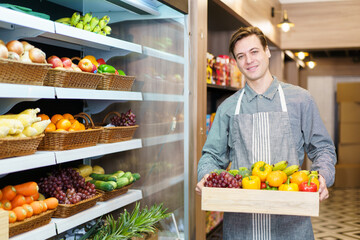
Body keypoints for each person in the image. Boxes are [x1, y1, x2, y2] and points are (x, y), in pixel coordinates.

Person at [195, 26, 336, 240]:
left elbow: (323, 148)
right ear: (236, 61)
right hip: (242, 226)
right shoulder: (228, 107)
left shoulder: (300, 100)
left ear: (267, 51)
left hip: (292, 224)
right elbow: (211, 156)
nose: (249, 60)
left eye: (254, 52)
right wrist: (206, 175)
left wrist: (323, 177)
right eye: (241, 56)